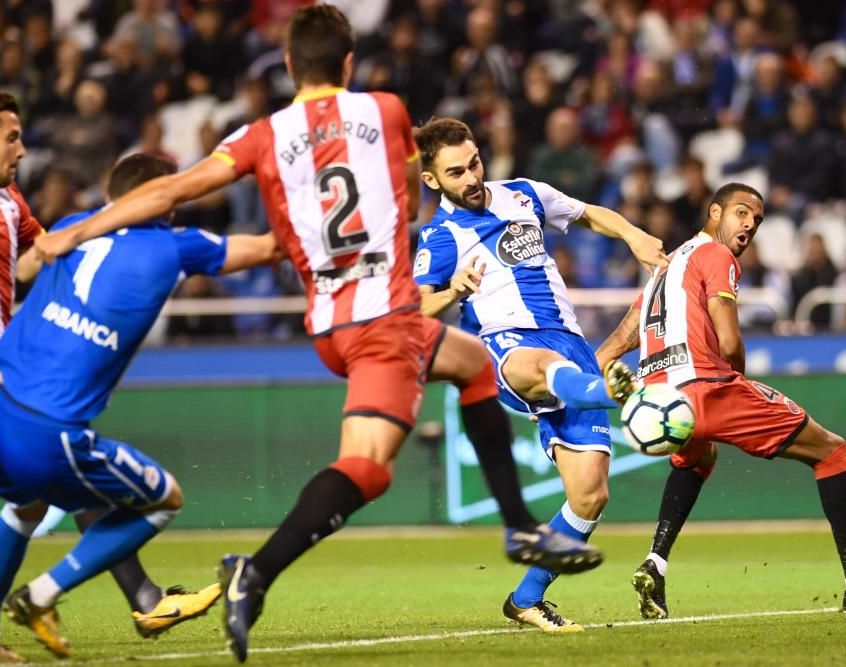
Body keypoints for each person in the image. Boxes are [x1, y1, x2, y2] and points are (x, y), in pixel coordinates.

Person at [31, 6, 603, 662]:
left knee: (472, 361)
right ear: (350, 62)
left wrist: (76, 230)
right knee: (366, 466)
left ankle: (520, 529)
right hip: (382, 316)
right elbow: (414, 167)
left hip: (329, 318)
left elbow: (174, 191)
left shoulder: (261, 135)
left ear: (287, 65)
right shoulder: (386, 111)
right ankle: (265, 570)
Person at [0, 153, 286, 662]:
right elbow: (268, 248)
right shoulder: (175, 245)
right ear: (162, 199)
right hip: (49, 428)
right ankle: (43, 593)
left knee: (24, 509)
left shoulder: (71, 226)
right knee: (165, 499)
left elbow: (24, 266)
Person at [0, 93, 217, 666]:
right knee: (55, 456)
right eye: (12, 137)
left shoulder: (10, 202)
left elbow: (50, 252)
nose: (22, 148)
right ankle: (144, 598)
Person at [595, 182, 846, 620]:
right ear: (714, 212)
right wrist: (736, 375)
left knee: (698, 457)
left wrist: (601, 358)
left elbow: (632, 324)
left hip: (661, 396)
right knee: (832, 451)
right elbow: (729, 340)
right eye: (741, 213)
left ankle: (655, 563)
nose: (749, 225)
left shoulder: (668, 264)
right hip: (709, 385)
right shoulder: (717, 256)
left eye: (756, 220)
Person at [411, 117, 669, 632]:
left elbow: (590, 213)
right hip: (505, 345)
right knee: (546, 367)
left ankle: (525, 600)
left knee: (590, 496)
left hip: (568, 341)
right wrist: (452, 291)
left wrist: (633, 234)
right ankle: (618, 392)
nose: (472, 177)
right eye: (456, 172)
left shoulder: (524, 194)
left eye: (476, 162)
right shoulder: (439, 238)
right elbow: (416, 311)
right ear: (432, 179)